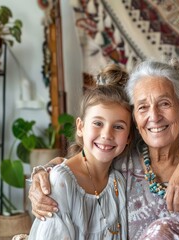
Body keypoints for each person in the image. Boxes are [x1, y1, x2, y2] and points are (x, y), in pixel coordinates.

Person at [29, 60, 179, 239]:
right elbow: (81, 164)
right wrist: (43, 174)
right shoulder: (124, 159)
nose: (154, 116)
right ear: (135, 119)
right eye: (143, 107)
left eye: (164, 103)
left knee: (163, 229)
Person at [28, 79, 133, 239]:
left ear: (128, 138)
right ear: (80, 127)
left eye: (118, 127)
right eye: (98, 123)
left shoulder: (117, 182)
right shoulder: (61, 181)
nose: (107, 134)